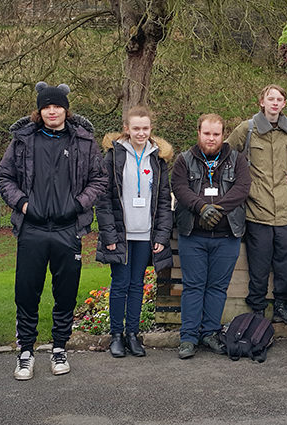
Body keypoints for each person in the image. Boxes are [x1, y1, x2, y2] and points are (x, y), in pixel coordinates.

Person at [0, 82, 107, 380]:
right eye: (46, 106)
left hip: (68, 229)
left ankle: (59, 348)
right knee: (26, 292)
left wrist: (77, 205)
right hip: (31, 229)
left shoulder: (83, 141)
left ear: (65, 109)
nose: (52, 110)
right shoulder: (22, 141)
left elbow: (99, 180)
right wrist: (22, 204)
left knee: (66, 293)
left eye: (57, 105)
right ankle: (26, 352)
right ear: (40, 110)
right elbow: (4, 177)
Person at [96, 106, 173, 358]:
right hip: (121, 233)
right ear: (126, 129)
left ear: (151, 129)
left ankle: (132, 334)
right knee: (120, 284)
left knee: (137, 285)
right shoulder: (113, 157)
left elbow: (163, 201)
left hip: (145, 234)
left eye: (145, 128)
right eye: (136, 128)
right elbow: (104, 200)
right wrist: (109, 236)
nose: (141, 133)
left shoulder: (157, 160)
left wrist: (161, 236)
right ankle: (116, 335)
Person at [172, 113, 251, 359]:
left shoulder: (237, 159)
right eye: (206, 133)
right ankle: (188, 337)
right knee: (193, 287)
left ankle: (210, 332)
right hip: (193, 234)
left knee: (217, 288)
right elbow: (180, 187)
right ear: (198, 133)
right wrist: (200, 207)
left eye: (216, 134)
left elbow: (242, 187)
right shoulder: (184, 159)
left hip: (227, 235)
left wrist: (218, 209)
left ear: (223, 135)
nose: (211, 138)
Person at [227, 84, 287, 326]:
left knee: (286, 262)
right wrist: (241, 181)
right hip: (256, 206)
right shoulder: (247, 129)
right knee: (258, 262)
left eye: (279, 99)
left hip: (286, 207)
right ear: (262, 102)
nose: (275, 103)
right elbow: (227, 155)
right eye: (271, 98)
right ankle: (257, 309)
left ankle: (281, 306)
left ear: (283, 105)